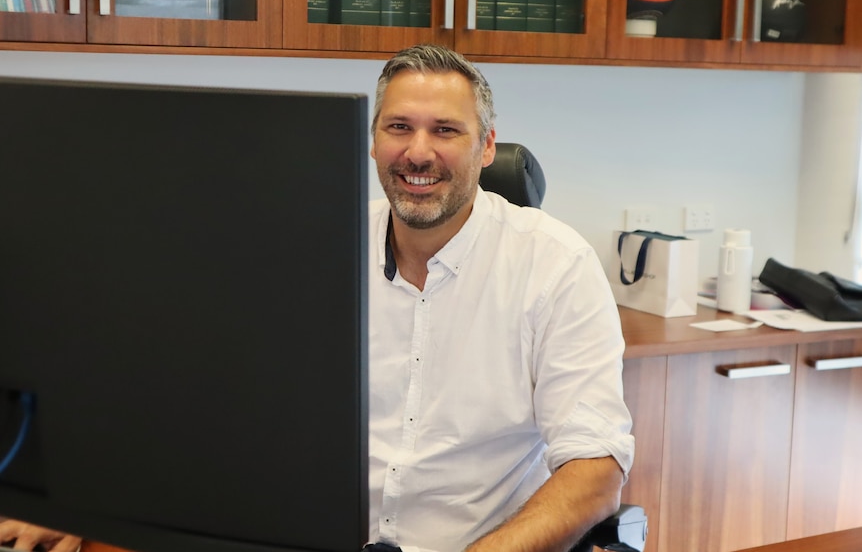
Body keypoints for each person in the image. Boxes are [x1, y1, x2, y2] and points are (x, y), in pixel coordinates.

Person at [0, 44, 634, 552]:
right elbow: (204, 406)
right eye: (398, 127)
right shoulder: (319, 248)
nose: (418, 152)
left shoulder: (554, 264)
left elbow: (595, 469)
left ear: (487, 146)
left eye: (446, 130)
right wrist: (78, 513)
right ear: (372, 141)